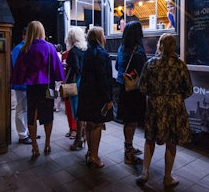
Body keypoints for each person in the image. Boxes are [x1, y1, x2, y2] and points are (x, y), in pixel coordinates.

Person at [136, 33, 193, 188]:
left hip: (155, 106)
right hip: (174, 108)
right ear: (174, 46)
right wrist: (175, 97)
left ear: (159, 45)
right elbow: (189, 90)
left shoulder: (150, 64)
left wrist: (155, 95)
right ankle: (167, 178)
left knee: (150, 138)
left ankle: (145, 172)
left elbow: (142, 87)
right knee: (171, 141)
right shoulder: (180, 65)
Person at [11, 21, 65, 157]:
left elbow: (19, 72)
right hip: (49, 87)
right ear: (42, 31)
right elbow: (57, 69)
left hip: (32, 87)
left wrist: (18, 81)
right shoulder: (50, 47)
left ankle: (34, 146)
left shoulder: (25, 49)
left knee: (32, 115)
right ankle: (47, 143)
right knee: (48, 115)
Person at [77, 26, 113, 168]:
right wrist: (108, 98)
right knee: (98, 124)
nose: (104, 37)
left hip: (86, 93)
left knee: (89, 123)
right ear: (98, 37)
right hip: (98, 95)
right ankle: (94, 156)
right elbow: (103, 78)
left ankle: (89, 152)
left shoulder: (87, 53)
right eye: (103, 34)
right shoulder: (101, 54)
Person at [115, 21, 147, 165]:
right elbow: (143, 71)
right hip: (134, 90)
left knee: (128, 120)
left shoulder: (121, 48)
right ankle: (128, 153)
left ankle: (129, 146)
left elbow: (117, 66)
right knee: (131, 120)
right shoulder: (138, 51)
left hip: (123, 87)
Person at [64, 27, 88, 151]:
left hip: (76, 83)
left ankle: (78, 139)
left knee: (77, 112)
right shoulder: (85, 49)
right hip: (86, 83)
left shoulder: (73, 51)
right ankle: (83, 136)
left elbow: (75, 69)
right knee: (83, 111)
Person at [11, 27, 31, 144]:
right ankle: (22, 135)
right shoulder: (19, 49)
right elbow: (18, 68)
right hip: (21, 83)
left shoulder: (22, 48)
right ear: (24, 36)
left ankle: (26, 132)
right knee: (21, 109)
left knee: (25, 109)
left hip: (25, 83)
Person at [54, 44, 63, 112]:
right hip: (59, 75)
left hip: (53, 75)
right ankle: (57, 107)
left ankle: (54, 105)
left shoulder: (53, 55)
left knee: (54, 89)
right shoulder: (60, 56)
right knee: (58, 90)